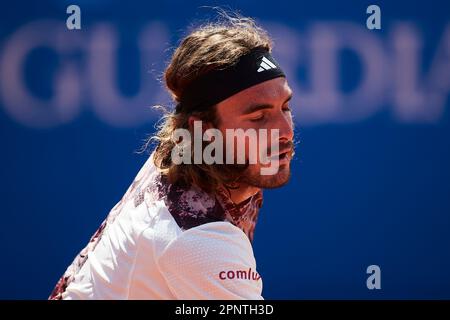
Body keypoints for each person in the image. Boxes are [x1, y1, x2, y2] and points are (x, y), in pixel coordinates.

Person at [49, 13, 294, 300]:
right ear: (205, 130)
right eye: (258, 117)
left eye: (285, 107)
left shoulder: (178, 155)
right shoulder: (200, 241)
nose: (285, 131)